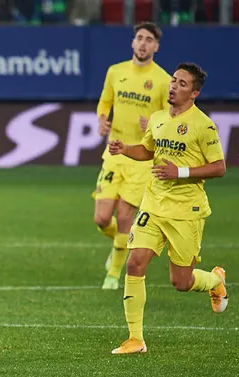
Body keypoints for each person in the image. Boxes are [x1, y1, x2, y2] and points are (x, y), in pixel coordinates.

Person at [108, 62, 228, 355]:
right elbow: (148, 151)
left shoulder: (203, 125)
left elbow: (219, 168)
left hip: (186, 209)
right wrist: (126, 149)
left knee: (181, 282)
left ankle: (215, 281)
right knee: (135, 262)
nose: (174, 86)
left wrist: (181, 173)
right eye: (174, 80)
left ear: (195, 93)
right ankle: (135, 339)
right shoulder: (158, 118)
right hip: (154, 203)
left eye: (182, 83)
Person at [93, 22, 171, 291]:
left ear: (156, 47)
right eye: (139, 38)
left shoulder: (163, 80)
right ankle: (119, 246)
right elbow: (105, 102)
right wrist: (102, 119)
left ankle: (113, 275)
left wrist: (151, 123)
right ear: (132, 42)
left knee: (126, 215)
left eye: (149, 40)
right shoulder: (116, 72)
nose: (143, 43)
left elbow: (169, 118)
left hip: (141, 157)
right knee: (102, 218)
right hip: (114, 151)